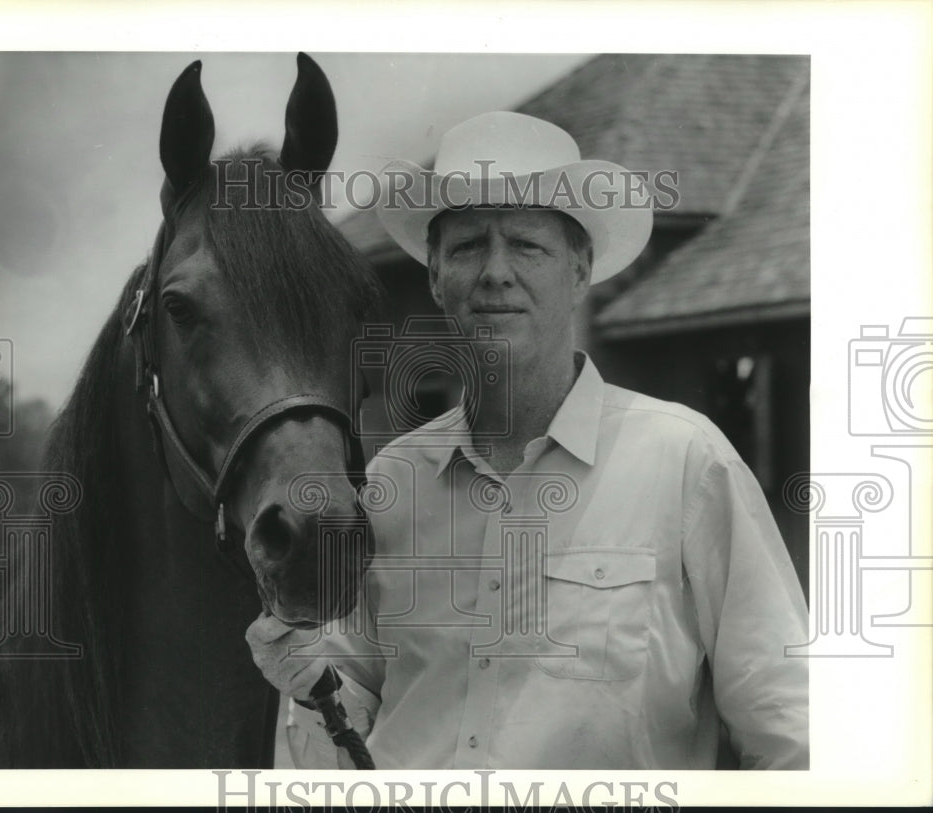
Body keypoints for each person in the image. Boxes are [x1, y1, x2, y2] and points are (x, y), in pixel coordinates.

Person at [246, 111, 809, 769]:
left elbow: (790, 728)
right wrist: (306, 682)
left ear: (580, 271)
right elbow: (336, 755)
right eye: (466, 247)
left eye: (526, 244)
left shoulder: (685, 461)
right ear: (433, 275)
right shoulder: (390, 484)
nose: (495, 272)